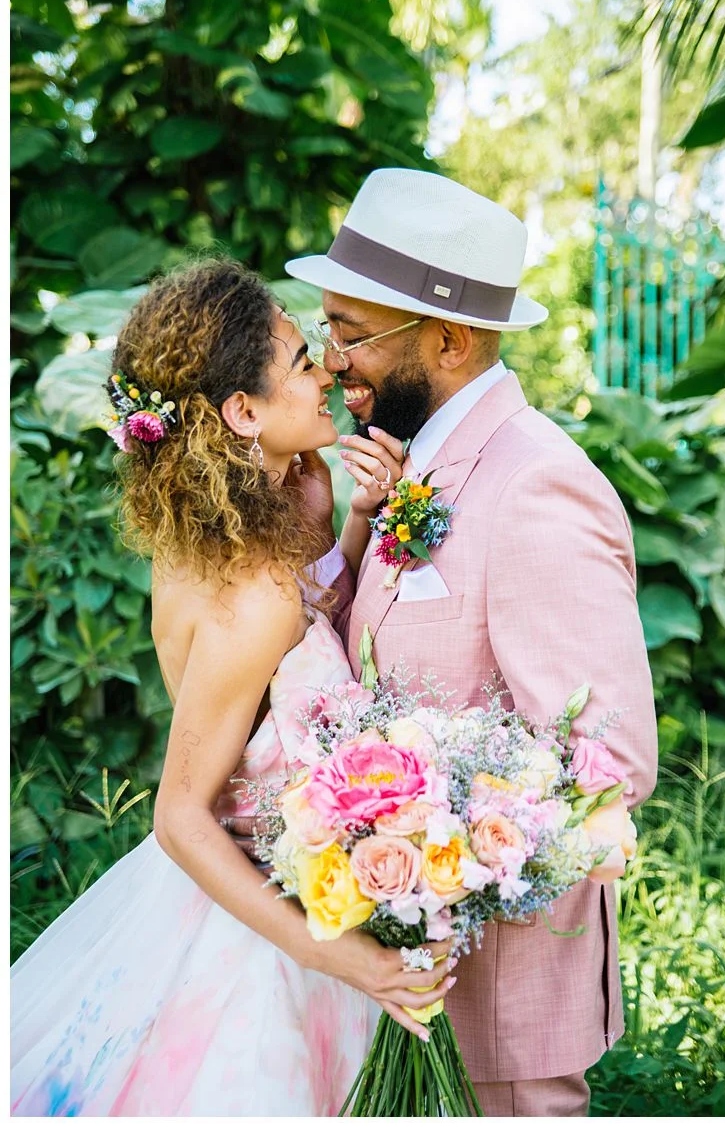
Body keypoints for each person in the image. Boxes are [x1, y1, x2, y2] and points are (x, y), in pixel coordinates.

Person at [10, 258, 457, 1117]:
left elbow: (296, 653)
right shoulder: (243, 590)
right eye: (299, 360)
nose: (327, 367)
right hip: (254, 930)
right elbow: (180, 816)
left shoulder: (250, 532)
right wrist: (348, 959)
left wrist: (343, 529)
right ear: (242, 412)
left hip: (291, 883)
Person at [285, 168, 659, 1117]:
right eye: (326, 328)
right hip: (396, 983)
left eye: (350, 333)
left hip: (500, 1005)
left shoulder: (537, 486)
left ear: (449, 339)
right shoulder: (418, 465)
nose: (330, 362)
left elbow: (606, 764)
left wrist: (438, 850)